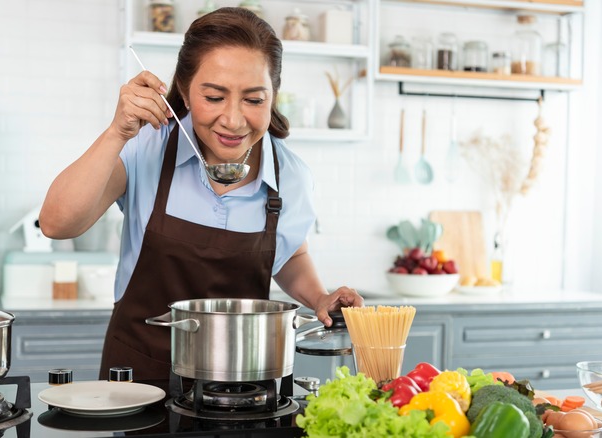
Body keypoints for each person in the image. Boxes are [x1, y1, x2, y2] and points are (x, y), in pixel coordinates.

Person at [39, 7, 364, 381]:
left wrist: (319, 298)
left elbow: (291, 252)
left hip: (244, 381)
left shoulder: (290, 175)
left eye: (254, 100)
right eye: (214, 97)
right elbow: (55, 223)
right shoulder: (146, 147)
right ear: (184, 90)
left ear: (273, 96)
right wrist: (117, 132)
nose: (233, 119)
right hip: (140, 377)